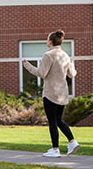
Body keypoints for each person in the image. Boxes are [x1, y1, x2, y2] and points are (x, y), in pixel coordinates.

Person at [22, 30, 80, 158]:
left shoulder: (48, 55)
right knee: (59, 120)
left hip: (50, 93)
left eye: (47, 39)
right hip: (62, 94)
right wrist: (72, 65)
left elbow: (41, 73)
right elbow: (72, 74)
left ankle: (55, 149)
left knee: (53, 122)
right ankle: (72, 141)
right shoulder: (65, 56)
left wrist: (27, 66)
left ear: (50, 42)